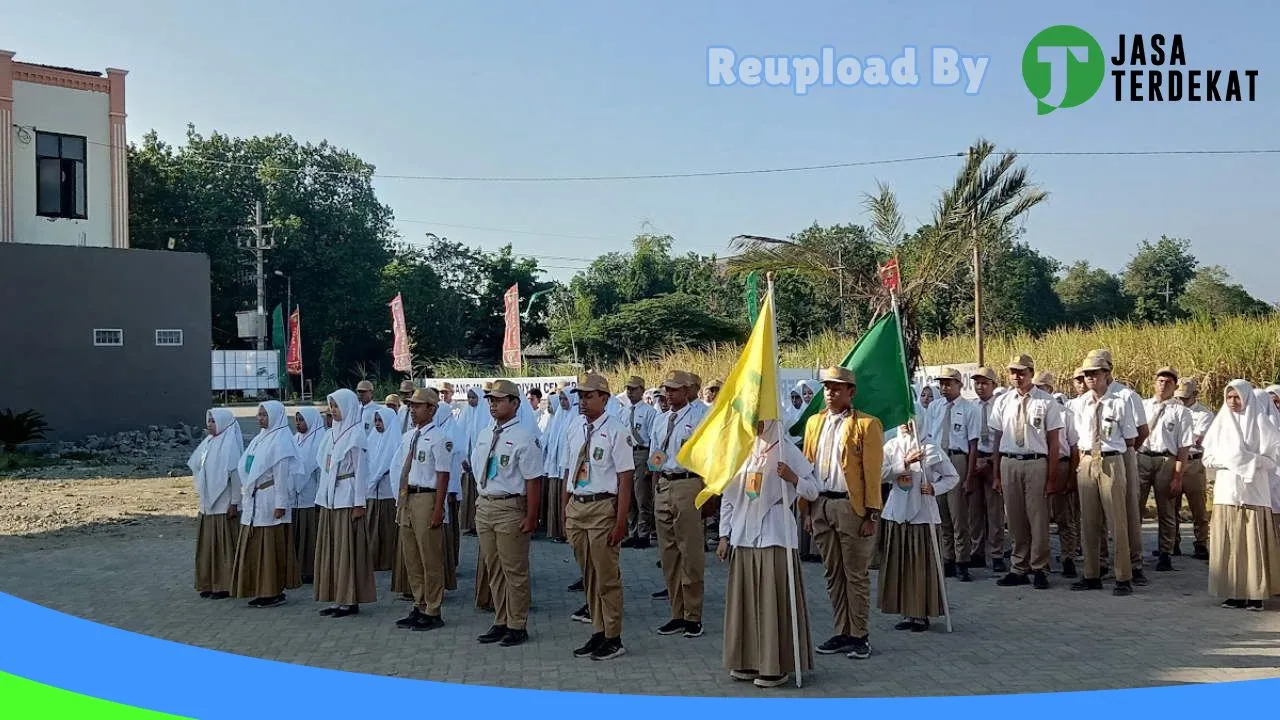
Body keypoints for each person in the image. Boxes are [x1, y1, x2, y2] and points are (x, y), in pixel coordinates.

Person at [717, 420, 817, 689]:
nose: (756, 424)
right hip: (744, 534)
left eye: (761, 418)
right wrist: (724, 534)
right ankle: (748, 658)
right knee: (746, 600)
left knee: (771, 600)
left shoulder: (786, 449)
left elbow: (812, 488)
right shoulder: (744, 449)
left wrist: (793, 478)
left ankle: (775, 664)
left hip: (775, 534)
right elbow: (729, 496)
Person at [801, 366, 884, 660]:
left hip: (851, 506)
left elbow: (872, 473)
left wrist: (872, 514)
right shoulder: (814, 422)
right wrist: (808, 510)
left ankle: (859, 634)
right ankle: (841, 630)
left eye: (837, 388)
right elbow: (807, 465)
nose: (830, 393)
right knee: (833, 572)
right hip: (821, 503)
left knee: (856, 573)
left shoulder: (866, 424)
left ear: (851, 392)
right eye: (827, 387)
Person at [562, 374, 634, 661]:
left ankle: (613, 636)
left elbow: (625, 478)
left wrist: (620, 521)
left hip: (603, 507)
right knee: (588, 574)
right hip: (577, 506)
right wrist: (565, 507)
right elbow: (569, 470)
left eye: (589, 395)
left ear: (604, 398)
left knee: (606, 576)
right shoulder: (575, 427)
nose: (582, 400)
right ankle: (598, 629)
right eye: (581, 395)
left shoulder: (616, 430)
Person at [471, 379, 545, 647]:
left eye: (499, 400)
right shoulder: (484, 433)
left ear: (515, 403)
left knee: (514, 570)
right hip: (486, 504)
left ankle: (517, 623)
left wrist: (532, 516)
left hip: (510, 506)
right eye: (491, 400)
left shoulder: (524, 436)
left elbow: (534, 480)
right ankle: (500, 620)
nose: (493, 404)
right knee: (494, 568)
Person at [1203, 380, 1280, 610]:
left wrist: (1248, 460)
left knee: (1252, 542)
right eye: (1229, 398)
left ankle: (1255, 594)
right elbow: (1208, 458)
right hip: (1228, 491)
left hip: (1254, 492)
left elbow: (1272, 459)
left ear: (1246, 398)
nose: (1233, 402)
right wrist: (1232, 460)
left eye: (1237, 397)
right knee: (1232, 541)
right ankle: (1234, 592)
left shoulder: (1261, 423)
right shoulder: (1221, 425)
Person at [1069, 356, 1138, 596]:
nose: (1090, 377)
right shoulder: (1079, 404)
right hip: (1088, 459)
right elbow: (1077, 436)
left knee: (1116, 520)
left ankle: (1123, 576)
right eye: (1087, 373)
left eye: (1096, 372)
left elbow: (1131, 438)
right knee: (1088, 520)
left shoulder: (1121, 400)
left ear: (1107, 373)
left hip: (1111, 459)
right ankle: (1091, 573)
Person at [879, 423, 958, 631]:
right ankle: (906, 612)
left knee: (920, 565)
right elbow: (879, 475)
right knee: (901, 564)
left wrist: (935, 488)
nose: (905, 426)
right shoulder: (890, 446)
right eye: (902, 421)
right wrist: (904, 463)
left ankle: (921, 613)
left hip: (922, 514)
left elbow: (952, 476)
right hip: (897, 512)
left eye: (909, 420)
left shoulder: (930, 449)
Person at [650, 370, 711, 638]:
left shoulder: (700, 418)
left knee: (690, 552)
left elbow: (710, 457)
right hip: (664, 483)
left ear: (687, 391)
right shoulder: (660, 420)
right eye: (666, 389)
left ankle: (693, 615)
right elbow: (655, 457)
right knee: (669, 553)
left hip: (689, 483)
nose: (669, 394)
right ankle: (676, 612)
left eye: (674, 389)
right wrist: (655, 483)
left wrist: (709, 493)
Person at [392, 388, 453, 631]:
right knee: (412, 556)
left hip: (427, 498)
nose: (412, 409)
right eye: (411, 405)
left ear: (431, 409)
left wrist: (439, 508)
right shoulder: (408, 436)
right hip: (409, 497)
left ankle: (433, 608)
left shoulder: (439, 437)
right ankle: (419, 603)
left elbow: (443, 475)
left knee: (430, 556)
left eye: (418, 406)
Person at [314, 389, 377, 618]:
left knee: (346, 549)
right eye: (331, 407)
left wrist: (359, 503)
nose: (333, 411)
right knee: (332, 549)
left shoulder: (356, 436)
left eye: (337, 406)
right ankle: (335, 596)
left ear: (348, 407)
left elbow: (361, 472)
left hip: (347, 497)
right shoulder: (331, 434)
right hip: (330, 499)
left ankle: (349, 599)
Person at [231, 400, 300, 608]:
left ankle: (272, 591)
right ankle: (258, 588)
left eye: (263, 414)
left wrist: (281, 503)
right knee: (254, 546)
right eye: (258, 414)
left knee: (268, 548)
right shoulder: (260, 439)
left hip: (269, 499)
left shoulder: (280, 441)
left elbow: (282, 477)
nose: (259, 418)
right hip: (254, 498)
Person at [922, 366, 979, 582]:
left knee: (958, 514)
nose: (944, 387)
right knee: (942, 511)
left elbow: (973, 443)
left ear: (959, 385)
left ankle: (962, 559)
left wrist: (969, 475)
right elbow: (929, 436)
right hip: (937, 457)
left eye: (949, 383)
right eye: (942, 383)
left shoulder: (969, 408)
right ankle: (947, 558)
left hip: (957, 458)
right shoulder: (935, 407)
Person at [1138, 368, 1193, 572]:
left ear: (1175, 386)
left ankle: (1165, 551)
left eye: (1168, 382)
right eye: (1160, 381)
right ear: (1154, 383)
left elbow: (1184, 446)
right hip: (1143, 456)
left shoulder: (1181, 412)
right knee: (1135, 505)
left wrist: (1178, 476)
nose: (1163, 385)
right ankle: (1134, 550)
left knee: (1166, 509)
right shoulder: (1143, 406)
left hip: (1165, 459)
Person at [190, 408, 243, 600]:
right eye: (209, 421)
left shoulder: (230, 445)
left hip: (224, 504)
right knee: (208, 547)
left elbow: (236, 477)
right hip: (208, 505)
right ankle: (209, 582)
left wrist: (235, 502)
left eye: (213, 421)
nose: (210, 424)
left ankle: (224, 584)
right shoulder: (208, 443)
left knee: (224, 547)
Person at [1174, 379, 1213, 560]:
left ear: (1194, 396)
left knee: (1197, 506)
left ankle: (1201, 543)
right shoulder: (1171, 410)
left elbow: (1195, 439)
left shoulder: (1204, 414)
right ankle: (1172, 542)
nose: (1181, 401)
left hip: (1193, 462)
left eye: (1185, 398)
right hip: (1174, 460)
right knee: (1170, 505)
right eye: (1178, 398)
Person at [621, 376, 658, 550]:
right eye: (628, 388)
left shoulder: (649, 412)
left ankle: (644, 534)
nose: (630, 392)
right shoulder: (624, 411)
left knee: (642, 495)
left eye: (634, 389)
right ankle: (632, 531)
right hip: (627, 453)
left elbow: (653, 439)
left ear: (642, 391)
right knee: (628, 496)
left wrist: (651, 465)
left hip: (641, 453)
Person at [292, 407, 326, 584]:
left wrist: (320, 495)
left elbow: (321, 472)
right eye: (297, 420)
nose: (298, 423)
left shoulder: (319, 439)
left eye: (302, 420)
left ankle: (311, 569)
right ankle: (297, 568)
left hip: (311, 495)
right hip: (294, 496)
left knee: (309, 533)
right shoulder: (294, 439)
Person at [365, 407, 401, 572]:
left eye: (381, 421)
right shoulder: (372, 438)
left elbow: (389, 463)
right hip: (372, 491)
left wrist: (376, 477)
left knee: (387, 526)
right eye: (376, 420)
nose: (378, 424)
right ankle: (373, 558)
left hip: (386, 489)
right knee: (373, 525)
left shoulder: (395, 439)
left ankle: (388, 559)